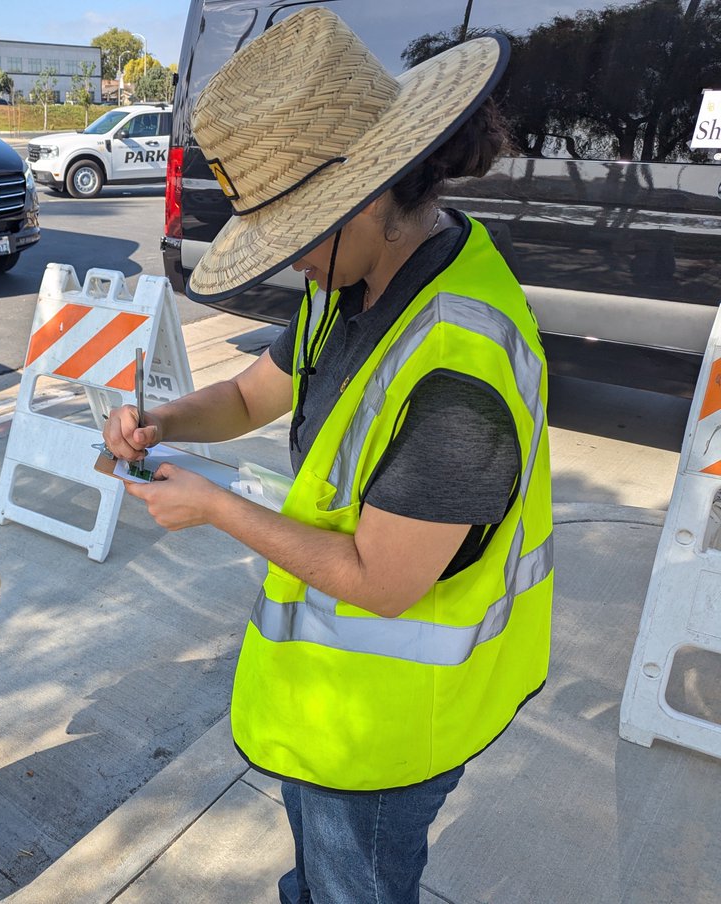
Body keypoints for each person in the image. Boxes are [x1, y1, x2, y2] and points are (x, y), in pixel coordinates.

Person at [102, 8, 552, 904]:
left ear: (375, 194)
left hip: (389, 736)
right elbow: (246, 396)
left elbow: (382, 579)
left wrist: (218, 508)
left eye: (295, 231)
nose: (285, 260)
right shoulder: (352, 280)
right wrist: (158, 420)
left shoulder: (459, 375)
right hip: (333, 710)